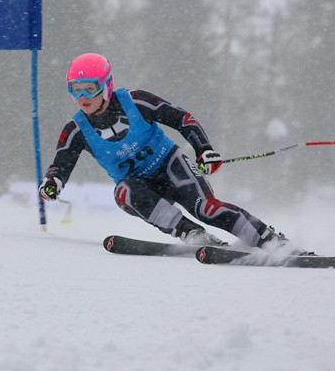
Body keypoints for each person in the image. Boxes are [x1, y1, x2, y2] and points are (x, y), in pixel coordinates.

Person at [39, 52, 298, 251]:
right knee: (123, 192)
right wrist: (53, 182)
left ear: (106, 85)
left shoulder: (136, 101)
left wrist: (204, 150)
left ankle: (270, 240)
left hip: (172, 167)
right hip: (142, 188)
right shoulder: (76, 129)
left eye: (90, 87)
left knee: (206, 208)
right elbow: (61, 164)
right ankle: (191, 234)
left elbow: (182, 119)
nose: (83, 96)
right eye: (75, 88)